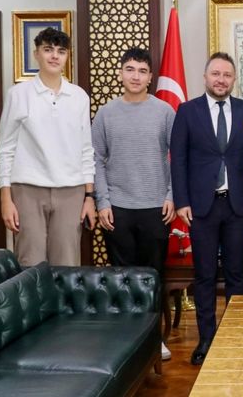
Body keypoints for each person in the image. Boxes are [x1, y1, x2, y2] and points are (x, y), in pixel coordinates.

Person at [170, 52, 243, 365]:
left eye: (227, 75)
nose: (221, 80)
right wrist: (181, 201)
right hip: (201, 208)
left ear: (233, 79)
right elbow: (178, 159)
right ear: (206, 77)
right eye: (215, 74)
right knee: (205, 275)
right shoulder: (187, 111)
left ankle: (235, 338)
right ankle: (206, 339)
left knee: (237, 274)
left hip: (237, 206)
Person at [91, 47, 175, 361]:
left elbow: (177, 157)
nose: (135, 76)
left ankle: (154, 338)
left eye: (141, 70)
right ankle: (126, 339)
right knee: (122, 278)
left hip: (156, 207)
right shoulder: (106, 113)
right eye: (130, 69)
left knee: (152, 276)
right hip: (118, 208)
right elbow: (96, 159)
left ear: (151, 76)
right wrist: (102, 201)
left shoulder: (165, 112)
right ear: (121, 73)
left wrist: (171, 196)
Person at [0, 27, 96, 267]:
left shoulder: (79, 96)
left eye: (61, 51)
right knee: (30, 265)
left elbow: (86, 149)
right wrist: (5, 198)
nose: (54, 56)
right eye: (48, 49)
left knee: (67, 266)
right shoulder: (18, 94)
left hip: (71, 190)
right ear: (36, 54)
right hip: (27, 189)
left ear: (66, 57)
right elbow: (6, 148)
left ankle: (60, 307)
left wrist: (89, 196)